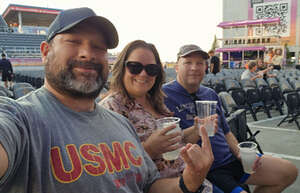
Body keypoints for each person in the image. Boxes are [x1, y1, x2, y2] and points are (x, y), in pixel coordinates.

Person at [0, 8, 213, 193]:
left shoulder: (120, 124)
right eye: (74, 41)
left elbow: (149, 186)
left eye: (98, 47)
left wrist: (189, 181)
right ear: (45, 52)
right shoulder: (21, 118)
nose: (87, 54)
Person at [162, 44, 298, 193]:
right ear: (176, 67)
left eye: (199, 63)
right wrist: (196, 130)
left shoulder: (210, 93)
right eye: (187, 62)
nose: (194, 68)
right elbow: (168, 145)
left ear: (205, 67)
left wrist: (239, 153)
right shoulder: (163, 96)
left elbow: (226, 132)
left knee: (288, 172)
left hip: (230, 158)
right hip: (208, 170)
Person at [99, 40, 217, 192]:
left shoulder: (156, 100)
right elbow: (111, 169)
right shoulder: (111, 107)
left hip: (196, 182)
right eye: (135, 67)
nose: (143, 74)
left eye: (151, 69)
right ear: (122, 68)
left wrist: (196, 129)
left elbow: (176, 140)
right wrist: (149, 148)